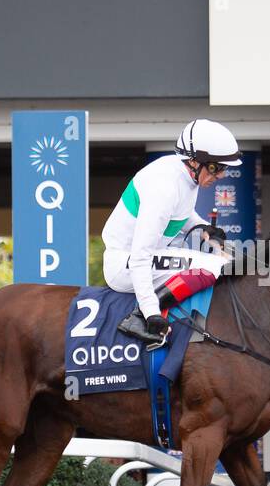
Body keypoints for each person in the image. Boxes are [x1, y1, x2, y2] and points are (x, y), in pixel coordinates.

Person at [101, 119, 237, 347]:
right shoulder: (163, 189)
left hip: (147, 255)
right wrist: (150, 311)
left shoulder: (181, 174)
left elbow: (180, 212)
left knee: (226, 261)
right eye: (216, 168)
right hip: (125, 264)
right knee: (214, 267)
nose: (221, 176)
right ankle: (137, 318)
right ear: (194, 161)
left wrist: (204, 227)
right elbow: (140, 257)